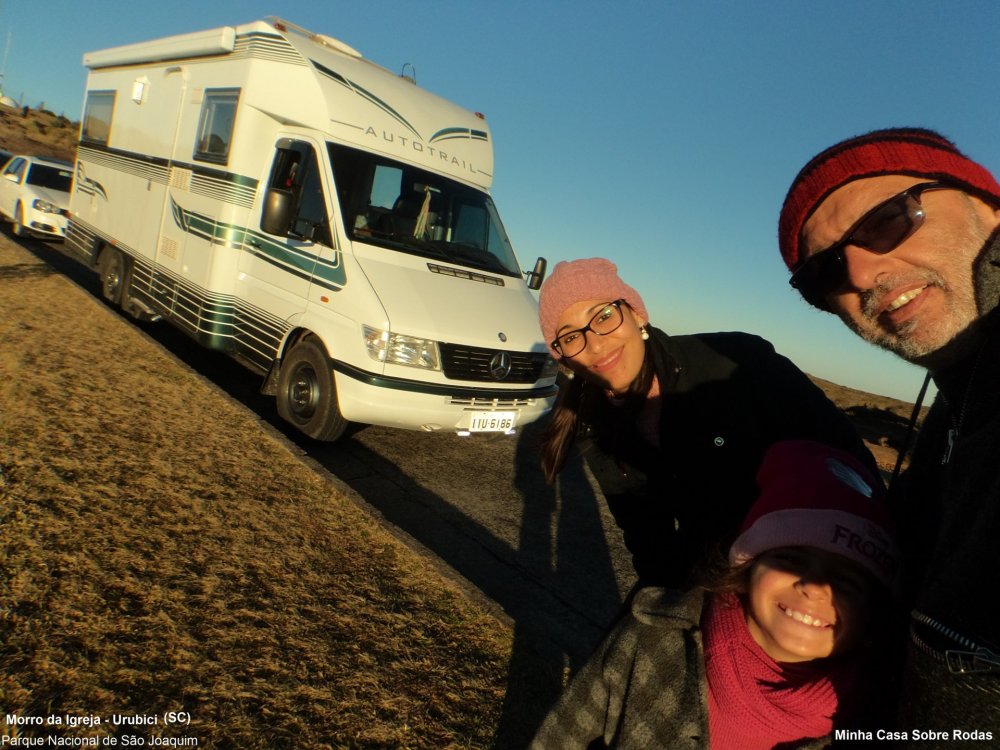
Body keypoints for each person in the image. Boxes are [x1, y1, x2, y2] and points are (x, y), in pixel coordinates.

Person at [777, 128, 1000, 736]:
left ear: (985, 202)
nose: (858, 271)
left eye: (887, 221)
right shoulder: (954, 413)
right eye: (824, 272)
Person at [530, 440, 901, 749]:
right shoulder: (649, 636)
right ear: (746, 565)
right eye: (790, 558)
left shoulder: (883, 714)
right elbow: (563, 736)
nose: (817, 586)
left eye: (848, 581)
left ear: (872, 612)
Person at [537, 258, 875, 590]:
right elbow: (648, 538)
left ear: (636, 314)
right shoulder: (594, 426)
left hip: (816, 574)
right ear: (564, 356)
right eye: (570, 337)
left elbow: (846, 457)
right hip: (715, 581)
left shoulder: (738, 363)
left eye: (604, 316)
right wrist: (664, 606)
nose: (595, 344)